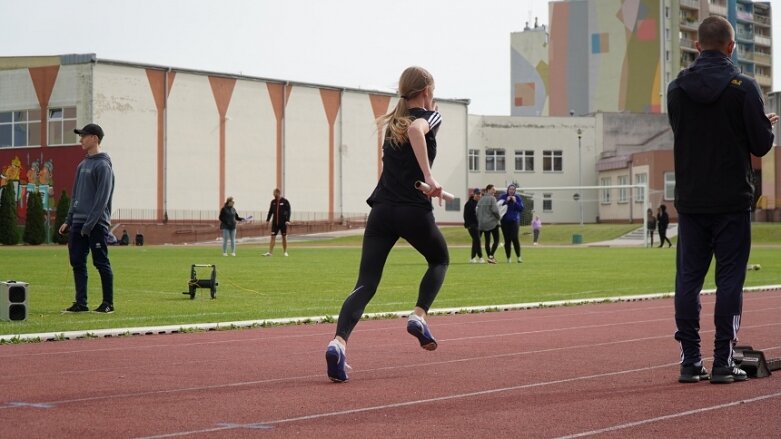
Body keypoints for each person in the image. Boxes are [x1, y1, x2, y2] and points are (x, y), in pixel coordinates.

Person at [667, 16, 777, 384]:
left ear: (697, 46)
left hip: (692, 200)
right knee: (729, 280)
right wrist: (765, 124)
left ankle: (689, 361)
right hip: (731, 199)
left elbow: (682, 131)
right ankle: (722, 361)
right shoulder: (743, 87)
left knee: (688, 281)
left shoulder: (676, 88)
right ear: (732, 46)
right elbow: (761, 144)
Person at [325, 66, 449, 382]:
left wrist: (428, 182)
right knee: (439, 259)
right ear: (427, 91)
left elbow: (406, 154)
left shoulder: (393, 122)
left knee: (366, 283)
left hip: (382, 211)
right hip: (411, 211)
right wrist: (430, 176)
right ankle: (419, 315)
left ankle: (338, 342)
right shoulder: (429, 117)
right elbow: (417, 132)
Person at [59, 123, 116, 314]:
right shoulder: (82, 165)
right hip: (77, 223)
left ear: (95, 138)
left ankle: (108, 303)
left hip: (96, 224)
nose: (81, 139)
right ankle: (80, 303)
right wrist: (69, 220)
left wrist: (89, 225)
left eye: (84, 136)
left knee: (100, 262)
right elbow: (75, 195)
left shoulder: (103, 165)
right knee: (77, 261)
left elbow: (102, 199)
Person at [498, 184, 524, 263]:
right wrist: (506, 201)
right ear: (507, 190)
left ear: (515, 191)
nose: (511, 190)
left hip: (514, 221)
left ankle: (519, 257)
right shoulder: (503, 196)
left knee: (515, 238)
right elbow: (498, 206)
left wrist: (515, 202)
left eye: (513, 189)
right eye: (510, 189)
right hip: (504, 222)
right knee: (507, 240)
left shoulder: (518, 197)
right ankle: (508, 258)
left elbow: (521, 209)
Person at [476, 184, 500, 264]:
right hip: (492, 223)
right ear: (488, 190)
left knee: (487, 241)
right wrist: (499, 217)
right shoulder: (492, 198)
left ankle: (490, 258)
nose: (495, 191)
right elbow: (495, 210)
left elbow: (477, 211)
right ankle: (491, 256)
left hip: (482, 223)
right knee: (496, 240)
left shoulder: (481, 199)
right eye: (493, 189)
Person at [263, 188, 291, 257]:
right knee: (272, 237)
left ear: (278, 193)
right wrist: (267, 220)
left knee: (284, 237)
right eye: (273, 193)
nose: (273, 195)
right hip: (275, 223)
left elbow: (289, 211)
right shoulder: (273, 202)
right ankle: (270, 253)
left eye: (274, 193)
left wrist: (287, 220)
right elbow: (270, 212)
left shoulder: (285, 201)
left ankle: (285, 252)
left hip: (283, 223)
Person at [463, 188, 483, 263]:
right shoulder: (469, 203)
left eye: (479, 194)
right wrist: (468, 225)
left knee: (475, 241)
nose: (478, 195)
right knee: (477, 240)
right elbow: (465, 215)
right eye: (477, 194)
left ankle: (472, 258)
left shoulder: (480, 203)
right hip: (472, 225)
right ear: (474, 194)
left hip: (479, 225)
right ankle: (480, 257)